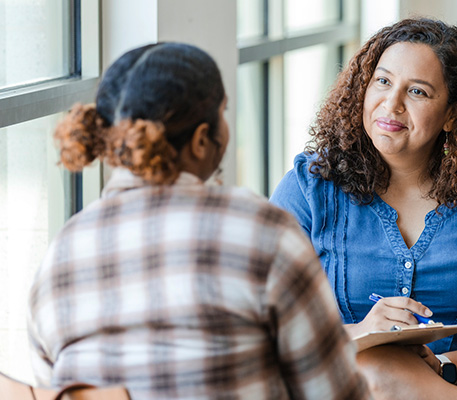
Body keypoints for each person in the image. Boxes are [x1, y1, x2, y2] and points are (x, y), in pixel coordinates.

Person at [27, 43, 371, 400]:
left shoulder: (61, 253)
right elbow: (334, 391)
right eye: (223, 112)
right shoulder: (261, 231)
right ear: (201, 140)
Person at [270, 18, 457, 400]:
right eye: (383, 82)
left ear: (453, 113)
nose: (392, 104)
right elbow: (263, 325)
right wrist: (362, 335)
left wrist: (443, 368)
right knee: (373, 366)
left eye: (418, 92)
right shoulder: (310, 188)